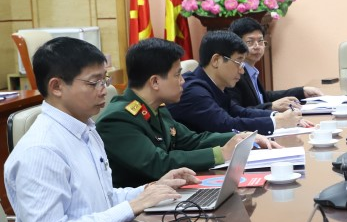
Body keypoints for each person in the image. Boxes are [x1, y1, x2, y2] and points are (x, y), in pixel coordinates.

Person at [3, 37, 197, 222]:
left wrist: (151, 189)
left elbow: (103, 199)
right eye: (94, 82)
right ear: (56, 87)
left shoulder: (86, 129)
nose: (104, 89)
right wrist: (133, 206)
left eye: (104, 80)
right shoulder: (41, 151)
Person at [97, 38, 276, 188]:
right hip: (139, 211)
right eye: (177, 75)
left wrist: (238, 138)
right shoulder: (118, 119)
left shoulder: (156, 107)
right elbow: (159, 163)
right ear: (155, 82)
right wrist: (221, 153)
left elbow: (191, 140)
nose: (183, 81)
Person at [168, 31, 311, 134]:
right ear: (216, 60)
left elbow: (240, 112)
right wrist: (278, 122)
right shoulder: (193, 90)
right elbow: (225, 124)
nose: (242, 71)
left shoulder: (215, 85)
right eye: (239, 62)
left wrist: (277, 116)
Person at [227, 17, 324, 111]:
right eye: (250, 42)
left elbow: (263, 97)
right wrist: (272, 106)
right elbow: (236, 111)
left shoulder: (251, 70)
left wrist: (302, 91)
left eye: (260, 41)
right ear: (237, 44)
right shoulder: (234, 74)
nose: (257, 46)